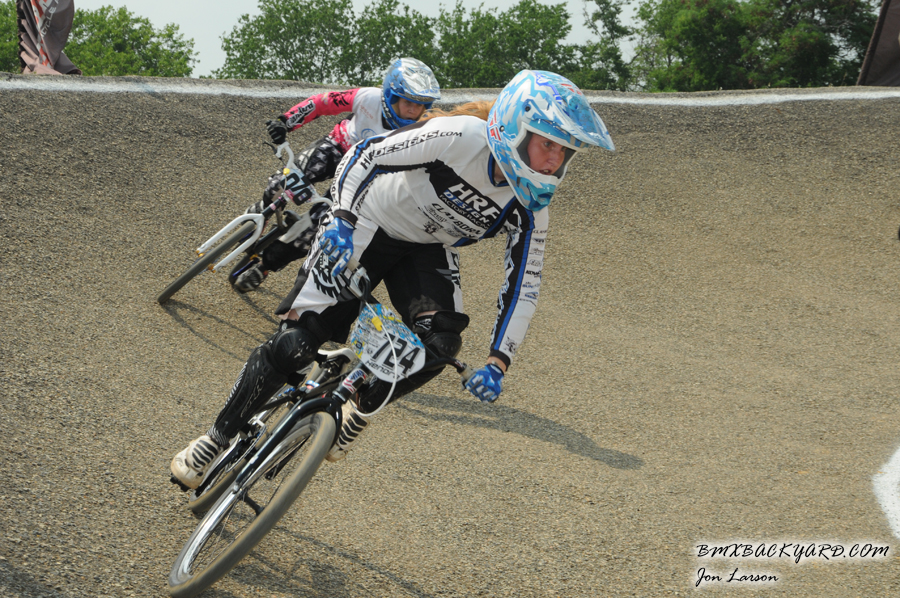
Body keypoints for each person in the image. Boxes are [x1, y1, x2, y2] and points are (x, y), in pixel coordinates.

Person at [171, 69, 615, 490]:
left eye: (565, 151)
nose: (555, 160)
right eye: (547, 144)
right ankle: (215, 438)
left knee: (441, 344)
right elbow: (366, 155)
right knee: (296, 345)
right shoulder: (460, 137)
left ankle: (358, 410)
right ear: (516, 129)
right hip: (367, 220)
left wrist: (499, 361)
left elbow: (523, 287)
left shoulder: (532, 209)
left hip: (425, 248)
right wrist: (342, 216)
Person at [233, 57, 441, 293]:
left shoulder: (422, 131)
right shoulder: (368, 97)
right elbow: (322, 103)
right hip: (338, 147)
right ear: (391, 95)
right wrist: (285, 121)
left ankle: (264, 266)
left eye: (421, 105)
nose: (414, 110)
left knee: (316, 230)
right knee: (285, 180)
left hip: (363, 177)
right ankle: (263, 206)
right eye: (408, 102)